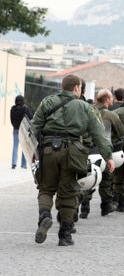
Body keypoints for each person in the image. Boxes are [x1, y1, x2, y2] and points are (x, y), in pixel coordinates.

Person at [31, 75, 115, 246]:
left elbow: (33, 127)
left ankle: (45, 216)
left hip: (48, 150)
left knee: (46, 188)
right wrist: (108, 157)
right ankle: (65, 235)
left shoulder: (47, 102)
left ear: (63, 87)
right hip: (74, 153)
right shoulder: (86, 107)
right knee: (69, 192)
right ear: (77, 88)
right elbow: (99, 134)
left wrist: (33, 151)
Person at [92, 89, 124, 217]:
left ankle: (83, 206)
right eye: (111, 98)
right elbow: (121, 133)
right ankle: (106, 205)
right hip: (104, 150)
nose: (112, 100)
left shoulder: (88, 110)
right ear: (106, 99)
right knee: (106, 178)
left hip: (88, 149)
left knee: (88, 176)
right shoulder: (111, 115)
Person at [10, 95, 33, 169]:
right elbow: (31, 117)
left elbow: (11, 120)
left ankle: (14, 164)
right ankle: (23, 164)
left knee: (15, 146)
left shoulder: (12, 109)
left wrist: (15, 126)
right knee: (24, 147)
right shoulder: (25, 109)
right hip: (24, 130)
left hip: (15, 129)